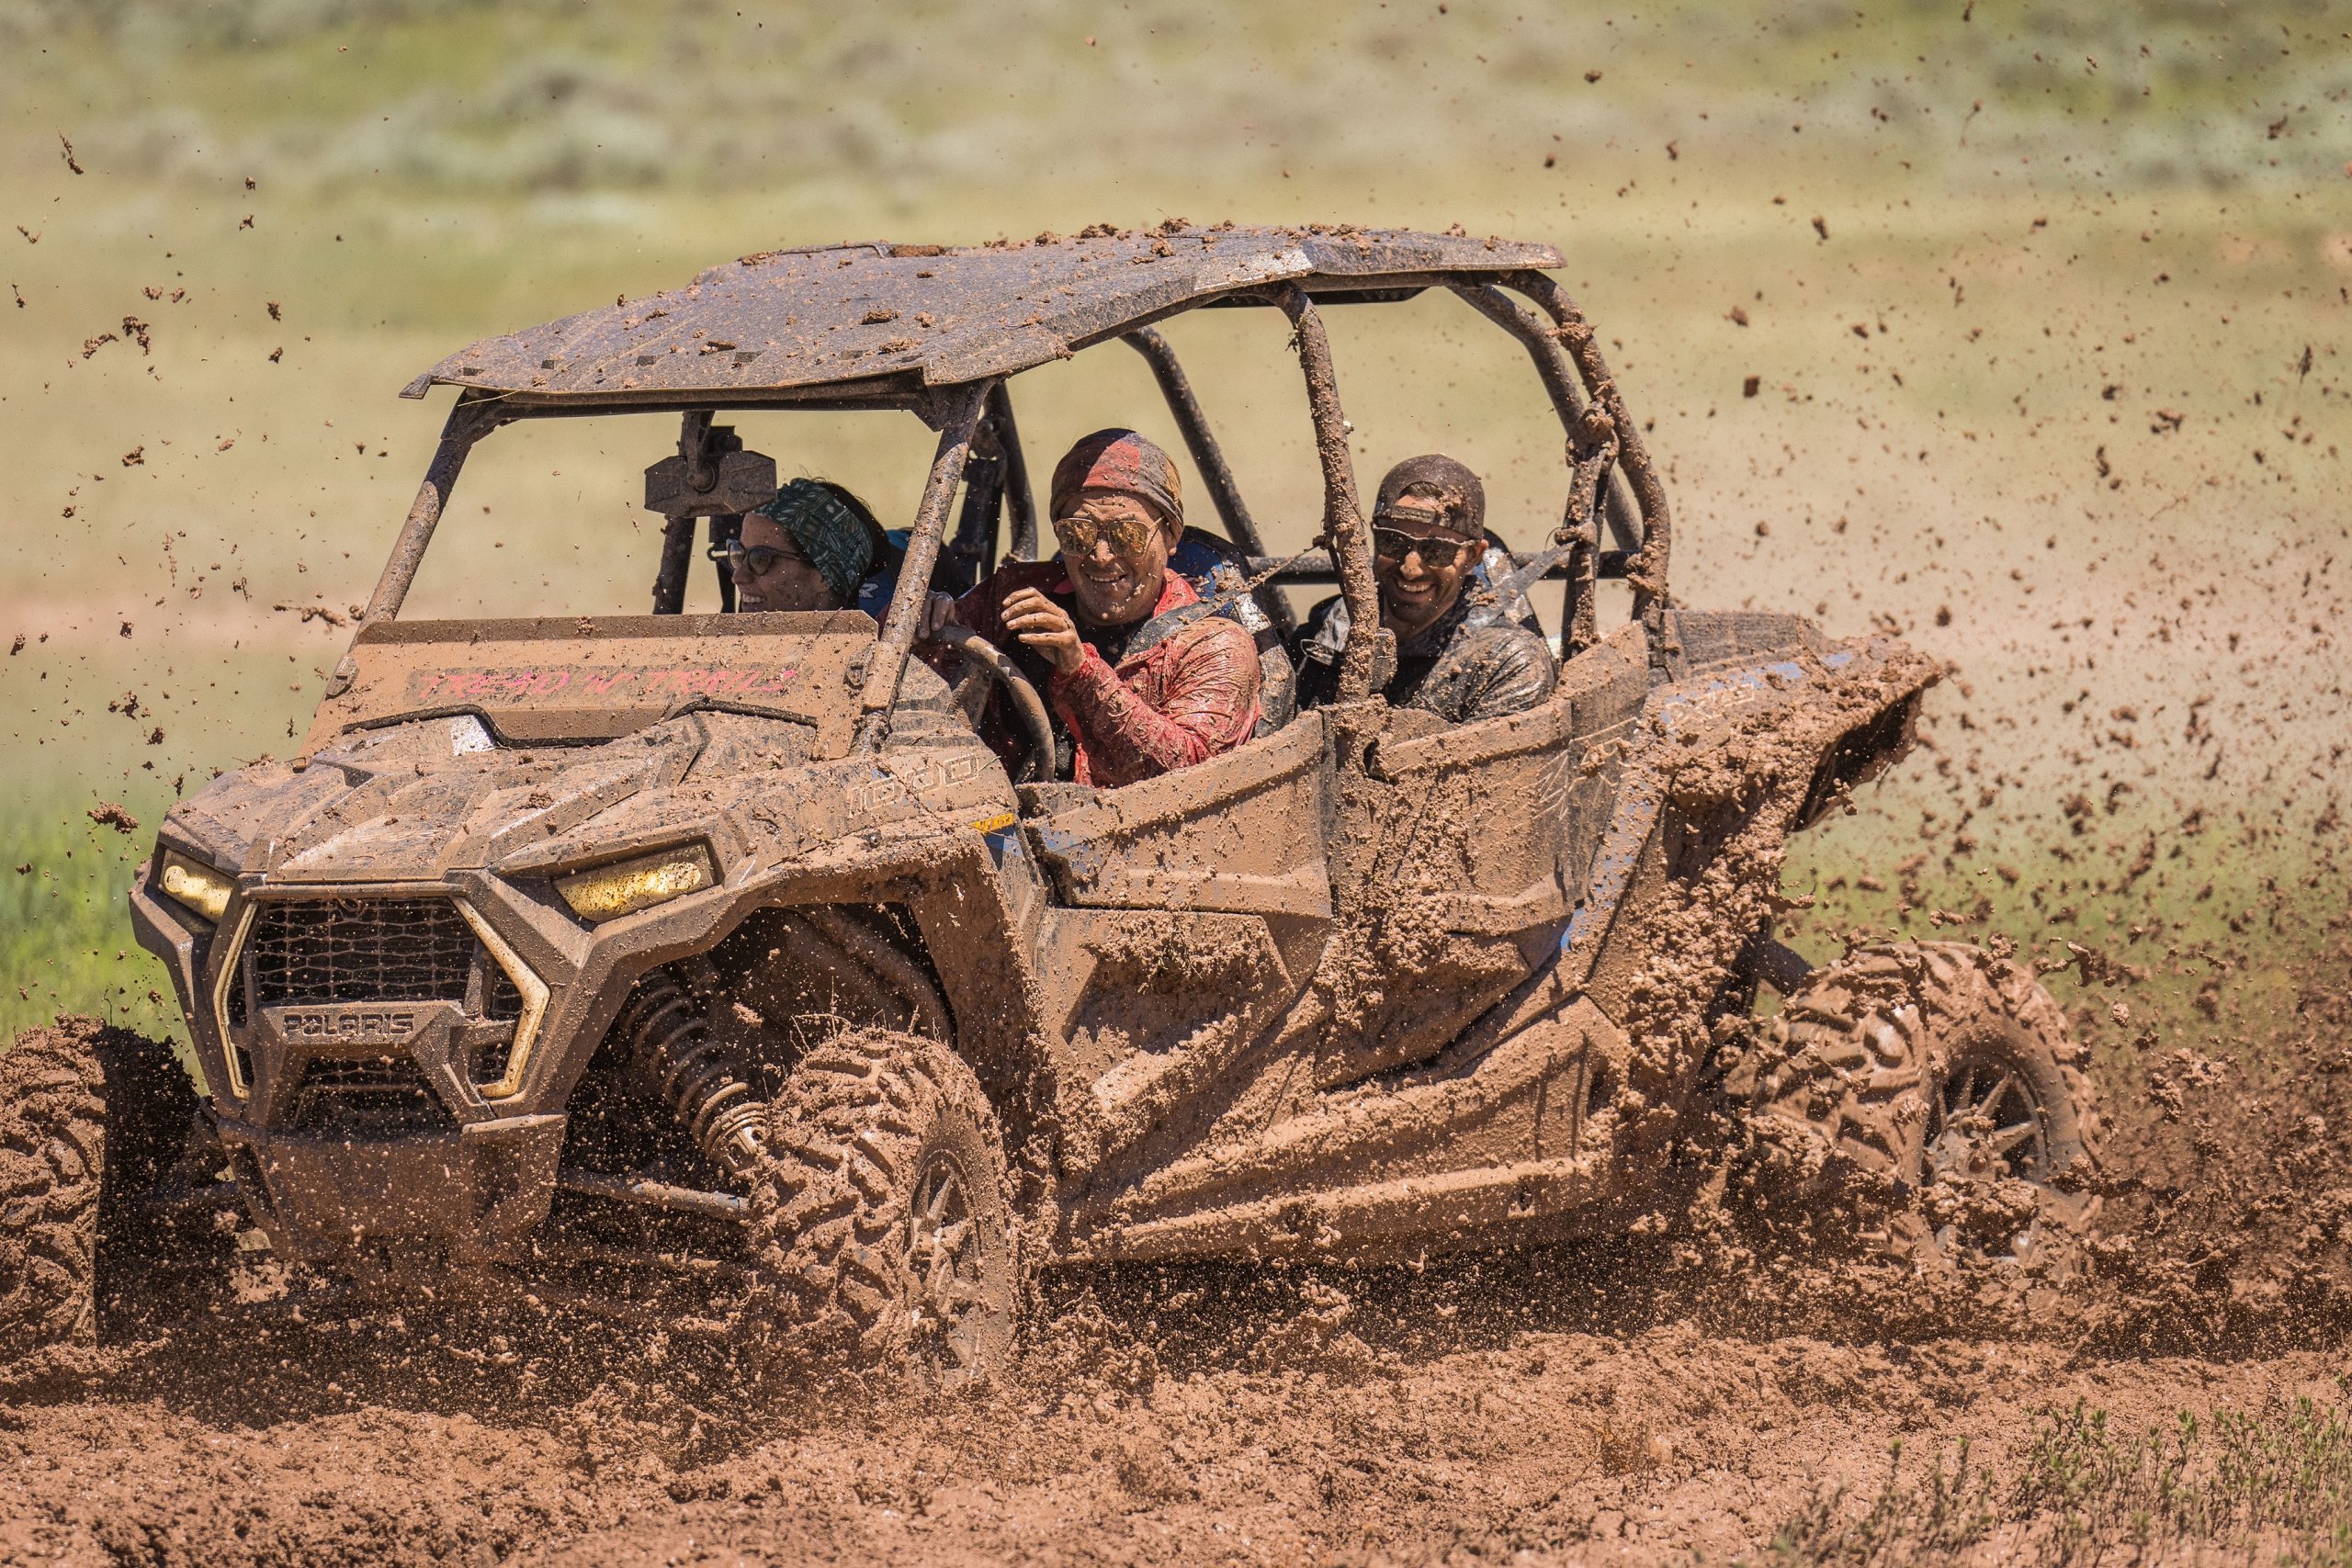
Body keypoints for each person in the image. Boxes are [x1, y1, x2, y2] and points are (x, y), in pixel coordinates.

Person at [931, 428, 1262, 788]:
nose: (1101, 557)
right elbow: (909, 678)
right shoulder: (1012, 594)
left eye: (1127, 535)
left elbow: (1188, 777)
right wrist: (927, 624)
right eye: (1078, 534)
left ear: (1170, 536)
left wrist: (1079, 670)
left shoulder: (1216, 647)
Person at [1294, 455, 1557, 724]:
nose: (1411, 568)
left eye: (1437, 550)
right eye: (1393, 542)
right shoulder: (1323, 637)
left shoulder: (1507, 663)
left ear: (1473, 557)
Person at [723, 478, 888, 614]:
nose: (737, 577)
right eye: (738, 554)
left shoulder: (871, 652)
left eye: (759, 559)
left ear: (823, 576)